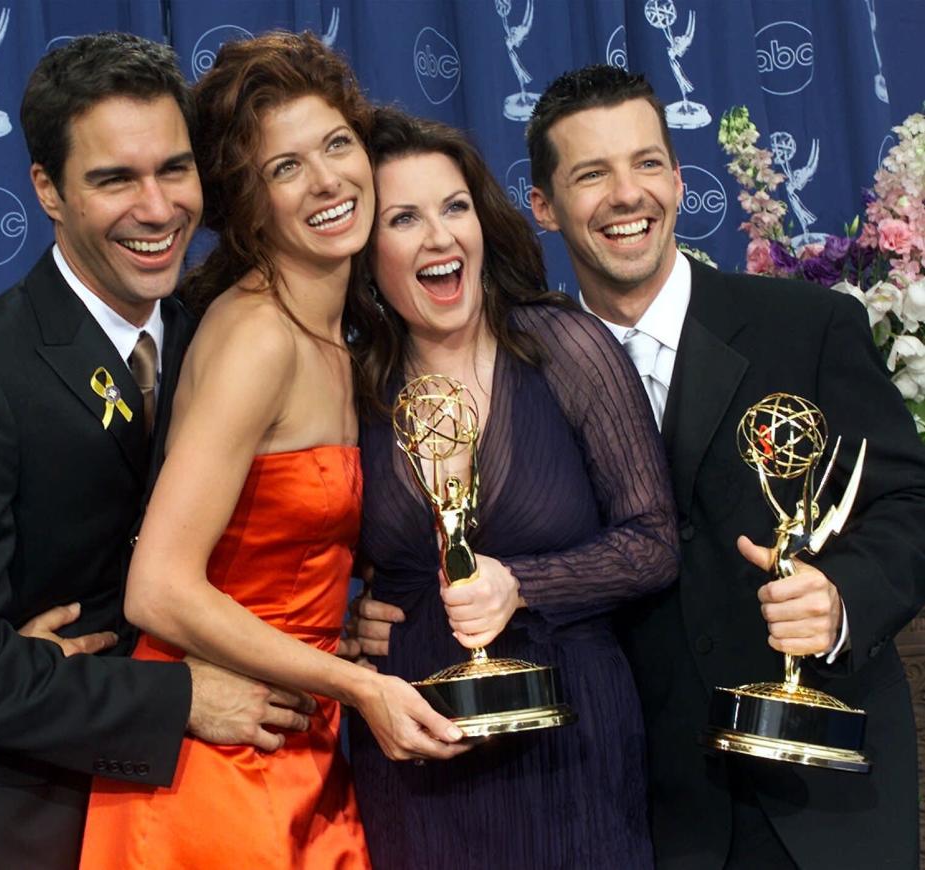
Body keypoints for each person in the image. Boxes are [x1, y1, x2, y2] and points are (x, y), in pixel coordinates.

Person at [0, 34, 312, 869]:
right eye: (115, 179)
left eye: (174, 170)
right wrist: (175, 697)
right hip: (20, 821)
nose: (156, 208)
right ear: (48, 190)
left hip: (206, 814)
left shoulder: (216, 343)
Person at [79, 33, 469, 869]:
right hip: (217, 769)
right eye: (285, 167)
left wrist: (345, 625)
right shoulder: (258, 335)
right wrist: (358, 684)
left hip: (298, 737)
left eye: (336, 144)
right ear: (247, 203)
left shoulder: (343, 333)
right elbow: (158, 589)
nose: (328, 180)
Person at [523, 64, 925, 868]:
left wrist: (844, 597)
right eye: (590, 174)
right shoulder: (526, 378)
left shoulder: (807, 326)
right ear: (543, 207)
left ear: (676, 179)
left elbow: (910, 501)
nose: (624, 195)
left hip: (823, 800)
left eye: (643, 164)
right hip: (645, 813)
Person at [341, 106, 678, 869]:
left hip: (572, 748)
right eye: (403, 218)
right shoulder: (350, 383)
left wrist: (519, 584)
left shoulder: (561, 345)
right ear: (365, 251)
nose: (439, 236)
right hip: (418, 758)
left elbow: (653, 543)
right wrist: (339, 625)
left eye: (454, 207)